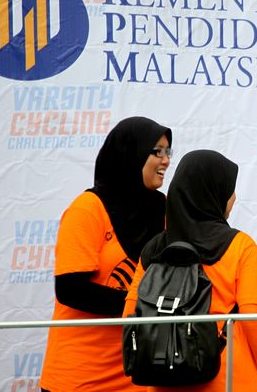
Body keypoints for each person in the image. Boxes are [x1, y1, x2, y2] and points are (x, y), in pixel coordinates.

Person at [124, 149, 257, 392]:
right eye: (229, 189)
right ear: (213, 192)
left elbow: (130, 314)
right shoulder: (237, 244)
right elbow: (252, 316)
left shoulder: (154, 248)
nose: (234, 198)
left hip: (162, 376)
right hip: (226, 376)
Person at [40, 116, 172, 392]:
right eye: (157, 151)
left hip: (138, 375)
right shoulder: (88, 209)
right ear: (132, 154)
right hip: (80, 377)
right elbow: (71, 290)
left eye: (168, 151)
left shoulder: (164, 209)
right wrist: (141, 305)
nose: (166, 160)